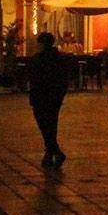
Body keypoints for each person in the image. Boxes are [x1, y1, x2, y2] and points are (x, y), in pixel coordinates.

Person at [28, 31, 70, 167]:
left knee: (44, 124)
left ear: (41, 44)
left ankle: (54, 152)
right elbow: (64, 78)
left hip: (41, 96)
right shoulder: (60, 58)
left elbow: (34, 79)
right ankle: (51, 153)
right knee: (51, 123)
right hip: (55, 96)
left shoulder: (38, 58)